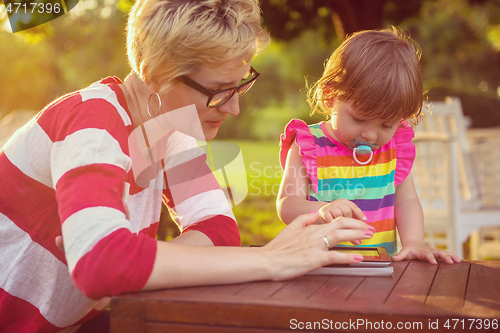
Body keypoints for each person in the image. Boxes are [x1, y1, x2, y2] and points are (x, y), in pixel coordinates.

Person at [0, 1, 374, 332]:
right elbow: (102, 263)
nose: (233, 107)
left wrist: (131, 265)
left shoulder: (170, 127)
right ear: (154, 72)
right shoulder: (93, 121)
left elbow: (219, 229)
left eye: (240, 84)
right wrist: (269, 259)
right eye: (217, 90)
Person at [277, 27, 461, 265]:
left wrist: (414, 241)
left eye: (386, 124)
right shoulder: (308, 145)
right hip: (316, 268)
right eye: (359, 118)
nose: (370, 134)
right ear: (331, 96)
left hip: (378, 268)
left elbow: (406, 201)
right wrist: (321, 211)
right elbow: (287, 205)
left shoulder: (393, 150)